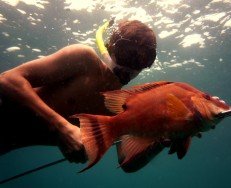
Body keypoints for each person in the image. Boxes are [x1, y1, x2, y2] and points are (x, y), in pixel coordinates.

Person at [0, 18, 157, 163]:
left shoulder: (120, 107)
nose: (130, 66)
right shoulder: (84, 61)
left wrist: (161, 141)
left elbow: (126, 162)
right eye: (127, 53)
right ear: (110, 47)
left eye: (143, 60)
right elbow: (7, 80)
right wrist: (62, 128)